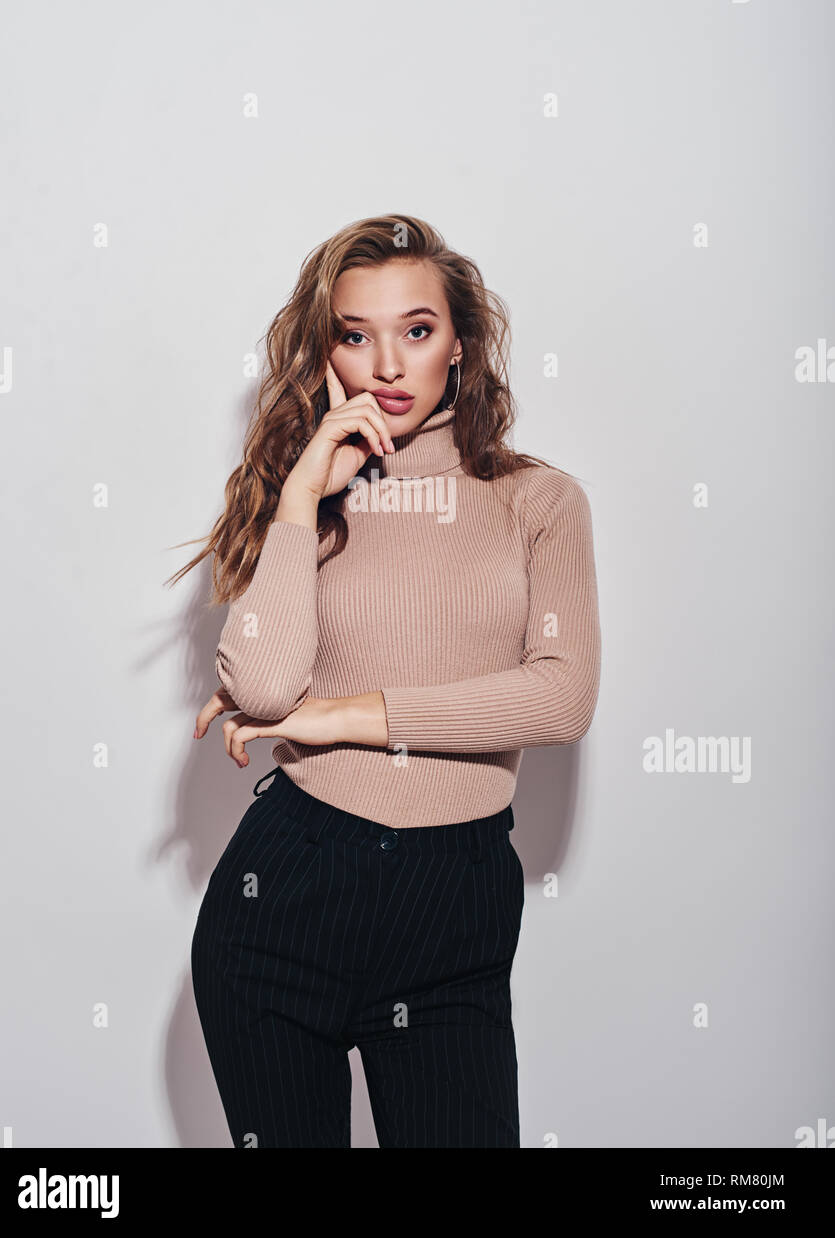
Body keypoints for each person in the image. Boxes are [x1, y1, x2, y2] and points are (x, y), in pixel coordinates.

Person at [170, 213, 601, 1148]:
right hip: (285, 901)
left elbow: (560, 698)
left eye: (416, 329)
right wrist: (298, 494)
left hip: (455, 906)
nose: (388, 365)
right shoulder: (309, 497)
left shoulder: (539, 501)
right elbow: (271, 691)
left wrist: (346, 715)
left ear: (461, 343)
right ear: (327, 352)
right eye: (354, 336)